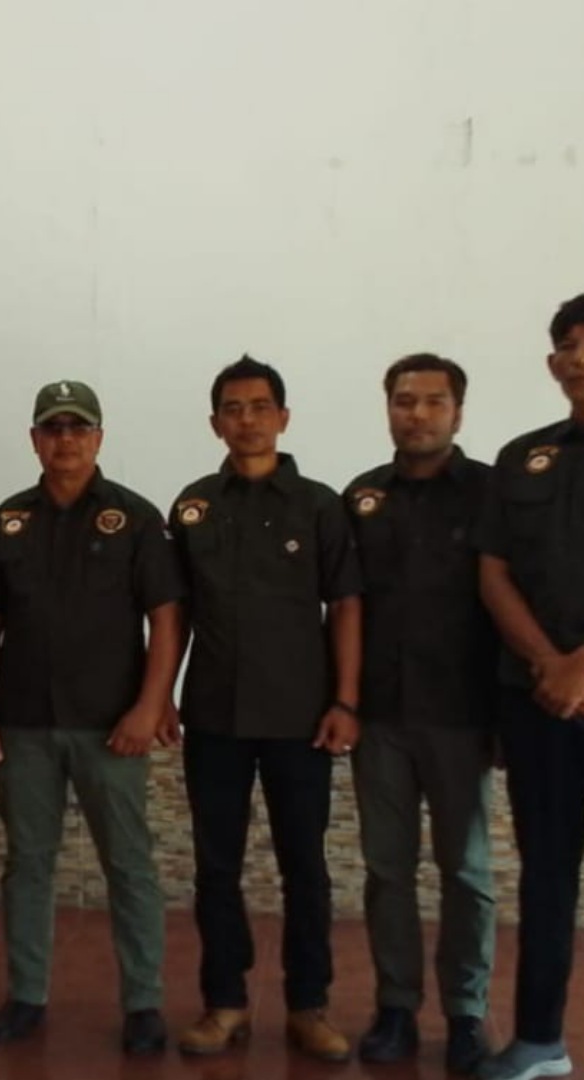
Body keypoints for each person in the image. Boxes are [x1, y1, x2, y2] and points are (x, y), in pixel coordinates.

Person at [0, 379, 182, 1057]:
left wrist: (150, 705)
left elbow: (166, 618)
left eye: (78, 428)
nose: (66, 440)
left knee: (130, 867)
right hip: (24, 723)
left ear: (99, 437)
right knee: (27, 865)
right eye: (53, 428)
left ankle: (143, 1003)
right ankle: (27, 995)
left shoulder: (135, 518)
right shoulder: (6, 523)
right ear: (35, 439)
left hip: (112, 727)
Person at [168, 355, 361, 1062]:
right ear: (214, 422)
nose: (246, 420)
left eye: (259, 407)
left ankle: (309, 1006)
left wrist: (346, 700)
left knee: (304, 867)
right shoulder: (193, 505)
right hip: (214, 716)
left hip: (300, 716)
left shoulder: (320, 505)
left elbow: (346, 605)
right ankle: (225, 1003)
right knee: (215, 868)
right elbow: (175, 614)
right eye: (232, 408)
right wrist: (162, 696)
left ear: (283, 417)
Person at [345, 353, 495, 1074]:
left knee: (466, 873)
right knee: (387, 871)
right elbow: (343, 608)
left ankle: (466, 1014)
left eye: (434, 402)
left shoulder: (493, 494)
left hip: (463, 715)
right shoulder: (361, 498)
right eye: (405, 401)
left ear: (458, 412)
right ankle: (396, 1008)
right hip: (380, 716)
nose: (419, 414)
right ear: (389, 409)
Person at [476, 292, 584, 1080]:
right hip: (538, 700)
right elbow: (493, 572)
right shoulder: (523, 458)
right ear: (553, 363)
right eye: (568, 345)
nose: (579, 357)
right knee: (547, 874)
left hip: (564, 682)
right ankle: (541, 1038)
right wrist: (551, 664)